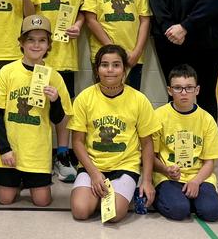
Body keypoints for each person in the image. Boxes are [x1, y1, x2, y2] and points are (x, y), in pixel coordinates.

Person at [25, 0, 89, 183]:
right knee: (33, 105)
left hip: (66, 52)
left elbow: (86, 8)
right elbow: (28, 13)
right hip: (37, 53)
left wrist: (79, 24)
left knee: (63, 107)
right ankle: (34, 155)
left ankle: (62, 154)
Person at [68, 45, 161, 223]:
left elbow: (148, 144)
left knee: (113, 215)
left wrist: (147, 180)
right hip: (92, 166)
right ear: (97, 70)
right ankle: (103, 194)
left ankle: (122, 193)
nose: (110, 70)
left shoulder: (139, 99)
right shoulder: (84, 98)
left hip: (125, 166)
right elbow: (78, 142)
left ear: (124, 69)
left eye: (116, 65)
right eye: (104, 65)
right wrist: (94, 174)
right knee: (80, 212)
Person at [0, 15, 73, 207]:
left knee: (42, 201)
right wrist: (4, 149)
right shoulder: (7, 72)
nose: (36, 45)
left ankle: (29, 181)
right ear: (21, 42)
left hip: (37, 152)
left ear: (49, 45)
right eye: (31, 40)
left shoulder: (54, 77)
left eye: (42, 40)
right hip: (10, 151)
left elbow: (59, 119)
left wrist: (55, 101)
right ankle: (17, 182)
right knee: (5, 200)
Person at [152, 64, 218, 222]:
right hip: (169, 177)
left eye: (189, 88)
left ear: (197, 90)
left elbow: (209, 162)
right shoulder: (158, 116)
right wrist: (166, 169)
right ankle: (169, 198)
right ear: (169, 91)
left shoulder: (206, 119)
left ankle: (189, 199)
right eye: (178, 88)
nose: (184, 93)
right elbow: (151, 156)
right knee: (179, 211)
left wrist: (196, 181)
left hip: (199, 177)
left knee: (213, 212)